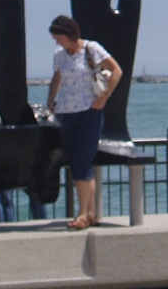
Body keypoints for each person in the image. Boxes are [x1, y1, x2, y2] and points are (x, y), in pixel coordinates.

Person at [47, 15, 122, 230]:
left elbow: (116, 70)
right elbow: (56, 79)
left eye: (59, 37)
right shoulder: (60, 55)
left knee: (82, 161)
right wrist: (50, 101)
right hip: (67, 112)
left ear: (69, 34)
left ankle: (81, 214)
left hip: (89, 111)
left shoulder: (91, 49)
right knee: (80, 162)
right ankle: (91, 212)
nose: (57, 42)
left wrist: (105, 96)